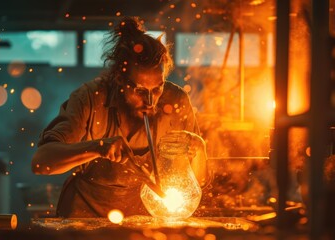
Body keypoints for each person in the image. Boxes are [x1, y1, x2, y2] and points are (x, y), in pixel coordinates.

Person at [31, 16, 209, 218]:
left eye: (157, 88)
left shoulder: (175, 101)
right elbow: (41, 163)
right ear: (119, 79)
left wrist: (200, 149)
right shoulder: (90, 98)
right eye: (139, 90)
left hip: (141, 220)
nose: (150, 101)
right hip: (84, 219)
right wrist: (98, 147)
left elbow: (198, 182)